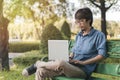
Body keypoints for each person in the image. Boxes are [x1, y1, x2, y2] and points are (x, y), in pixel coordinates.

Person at [22, 7, 107, 80]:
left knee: (61, 63)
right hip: (70, 66)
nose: (78, 24)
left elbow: (101, 55)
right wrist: (70, 57)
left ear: (89, 20)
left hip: (83, 71)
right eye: (77, 22)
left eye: (81, 21)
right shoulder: (79, 35)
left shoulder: (98, 35)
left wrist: (83, 63)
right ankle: (38, 66)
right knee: (41, 71)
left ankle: (37, 64)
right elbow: (73, 51)